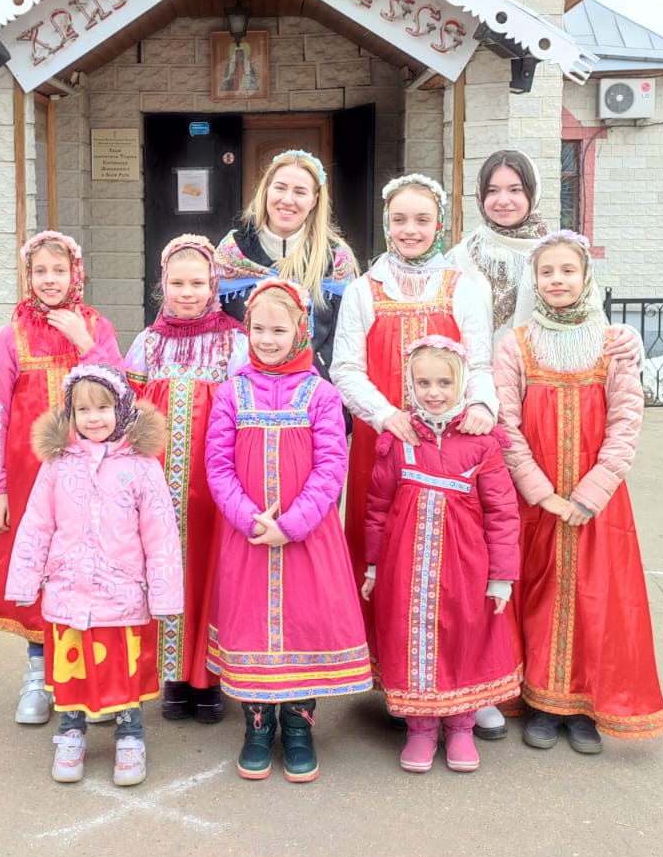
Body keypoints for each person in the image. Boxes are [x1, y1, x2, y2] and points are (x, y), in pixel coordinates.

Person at [493, 231, 663, 752]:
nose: (557, 280)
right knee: (539, 593)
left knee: (596, 597)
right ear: (535, 280)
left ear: (585, 276)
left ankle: (584, 705)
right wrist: (540, 491)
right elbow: (505, 424)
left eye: (568, 270)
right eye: (547, 272)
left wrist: (591, 493)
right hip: (536, 500)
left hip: (597, 504)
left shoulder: (613, 343)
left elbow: (626, 421)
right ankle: (543, 703)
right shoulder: (516, 344)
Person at [204, 279, 372, 783]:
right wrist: (250, 519)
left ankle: (298, 727)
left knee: (303, 623)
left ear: (301, 330)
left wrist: (292, 525)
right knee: (251, 625)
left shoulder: (321, 394)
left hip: (308, 537)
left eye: (279, 330)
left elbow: (331, 467)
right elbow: (217, 466)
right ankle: (257, 726)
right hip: (248, 537)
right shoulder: (231, 392)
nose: (267, 339)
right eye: (258, 329)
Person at [332, 174, 497, 645]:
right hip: (383, 442)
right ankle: (380, 658)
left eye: (422, 220)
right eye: (400, 219)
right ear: (386, 224)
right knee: (381, 542)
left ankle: (443, 660)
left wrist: (481, 404)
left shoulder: (462, 287)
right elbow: (346, 369)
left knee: (447, 550)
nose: (410, 229)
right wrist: (386, 415)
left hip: (448, 446)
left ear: (438, 225)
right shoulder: (364, 289)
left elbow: (479, 362)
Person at [5, 364, 183, 787]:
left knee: (123, 670)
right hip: (68, 592)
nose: (93, 418)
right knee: (72, 671)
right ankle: (71, 733)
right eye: (83, 410)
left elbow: (160, 533)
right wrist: (25, 580)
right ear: (71, 414)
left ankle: (130, 735)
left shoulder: (141, 466)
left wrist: (164, 594)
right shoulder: (57, 464)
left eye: (103, 408)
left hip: (121, 594)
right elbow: (37, 525)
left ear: (121, 410)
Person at [363, 337, 520, 774]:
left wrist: (501, 577)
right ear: (410, 386)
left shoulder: (482, 444)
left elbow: (503, 513)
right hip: (405, 570)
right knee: (410, 639)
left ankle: (461, 726)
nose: (434, 392)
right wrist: (374, 565)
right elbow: (377, 506)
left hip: (466, 568)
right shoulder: (398, 442)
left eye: (444, 383)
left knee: (461, 638)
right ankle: (420, 729)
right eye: (423, 383)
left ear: (462, 383)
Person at [0, 231, 121, 726]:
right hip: (28, 478)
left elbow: (120, 390)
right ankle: (38, 673)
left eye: (58, 271)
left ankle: (87, 678)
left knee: (87, 565)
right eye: (40, 271)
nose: (49, 280)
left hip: (88, 476)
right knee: (38, 566)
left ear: (75, 274)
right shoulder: (12, 335)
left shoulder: (96, 327)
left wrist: (86, 344)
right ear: (28, 276)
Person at [124, 234, 249, 723]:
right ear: (163, 284)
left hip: (213, 485)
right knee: (162, 568)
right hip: (158, 487)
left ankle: (209, 678)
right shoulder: (148, 343)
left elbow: (244, 411)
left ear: (213, 283)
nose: (187, 292)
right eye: (177, 283)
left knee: (210, 572)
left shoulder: (233, 342)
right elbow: (127, 412)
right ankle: (173, 675)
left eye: (197, 282)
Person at [215, 149, 358, 378]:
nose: (288, 200)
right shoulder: (232, 252)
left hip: (314, 388)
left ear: (314, 200)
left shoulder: (335, 259)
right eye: (280, 188)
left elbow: (348, 336)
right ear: (266, 190)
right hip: (244, 387)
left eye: (300, 192)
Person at [446, 150, 549, 343]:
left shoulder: (557, 253)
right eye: (492, 191)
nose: (503, 201)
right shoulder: (460, 259)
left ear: (532, 192)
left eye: (515, 190)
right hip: (475, 361)